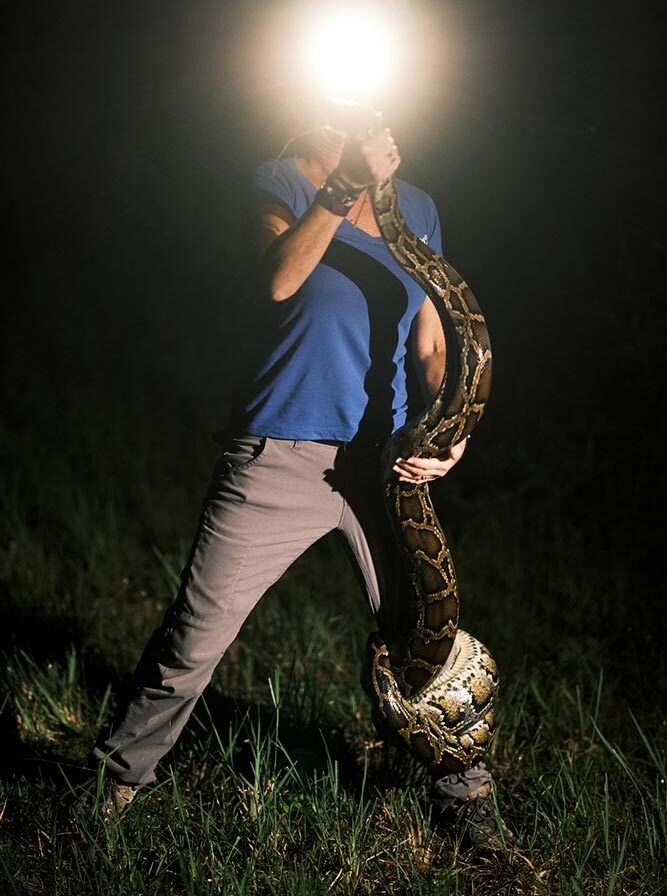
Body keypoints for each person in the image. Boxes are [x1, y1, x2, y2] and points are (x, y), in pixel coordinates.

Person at [69, 104, 512, 850]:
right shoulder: (276, 182)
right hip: (278, 452)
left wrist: (451, 429)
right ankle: (112, 788)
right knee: (193, 642)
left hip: (388, 462)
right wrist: (339, 191)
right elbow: (279, 281)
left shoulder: (420, 209)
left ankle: (465, 802)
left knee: (424, 636)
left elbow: (434, 342)